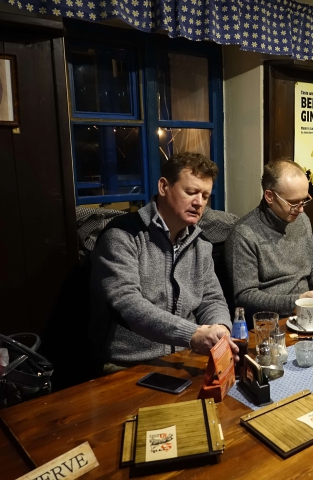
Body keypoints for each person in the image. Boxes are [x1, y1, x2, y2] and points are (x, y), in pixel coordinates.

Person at [90, 152, 238, 371]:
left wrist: (220, 328)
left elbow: (212, 298)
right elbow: (127, 303)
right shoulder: (123, 235)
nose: (199, 203)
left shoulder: (201, 244)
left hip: (185, 356)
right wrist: (193, 334)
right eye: (191, 192)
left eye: (205, 196)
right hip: (129, 363)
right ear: (163, 187)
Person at [226, 157, 313, 319]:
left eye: (304, 200)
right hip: (271, 320)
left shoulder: (301, 220)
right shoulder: (243, 234)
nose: (301, 209)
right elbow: (245, 297)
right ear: (269, 196)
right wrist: (298, 302)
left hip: (309, 312)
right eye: (294, 203)